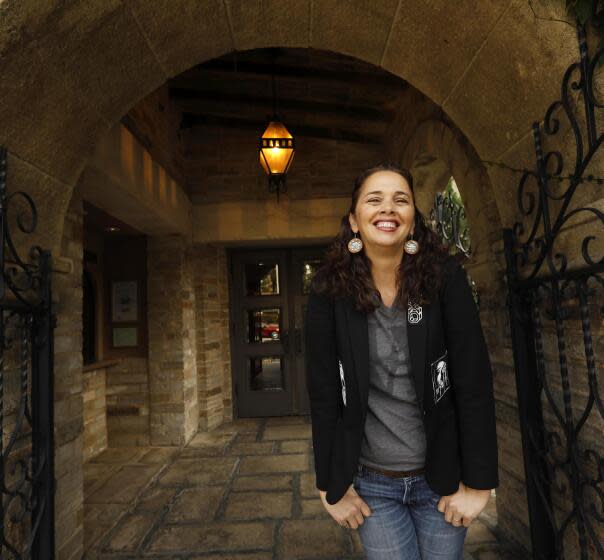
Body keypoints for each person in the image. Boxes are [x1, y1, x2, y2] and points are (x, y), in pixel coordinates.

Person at [304, 163, 498, 559]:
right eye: (374, 200)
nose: (388, 208)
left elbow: (473, 382)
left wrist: (479, 484)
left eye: (401, 200)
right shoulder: (329, 290)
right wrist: (329, 486)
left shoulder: (445, 279)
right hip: (372, 482)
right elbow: (324, 395)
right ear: (354, 222)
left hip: (442, 477)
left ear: (413, 220)